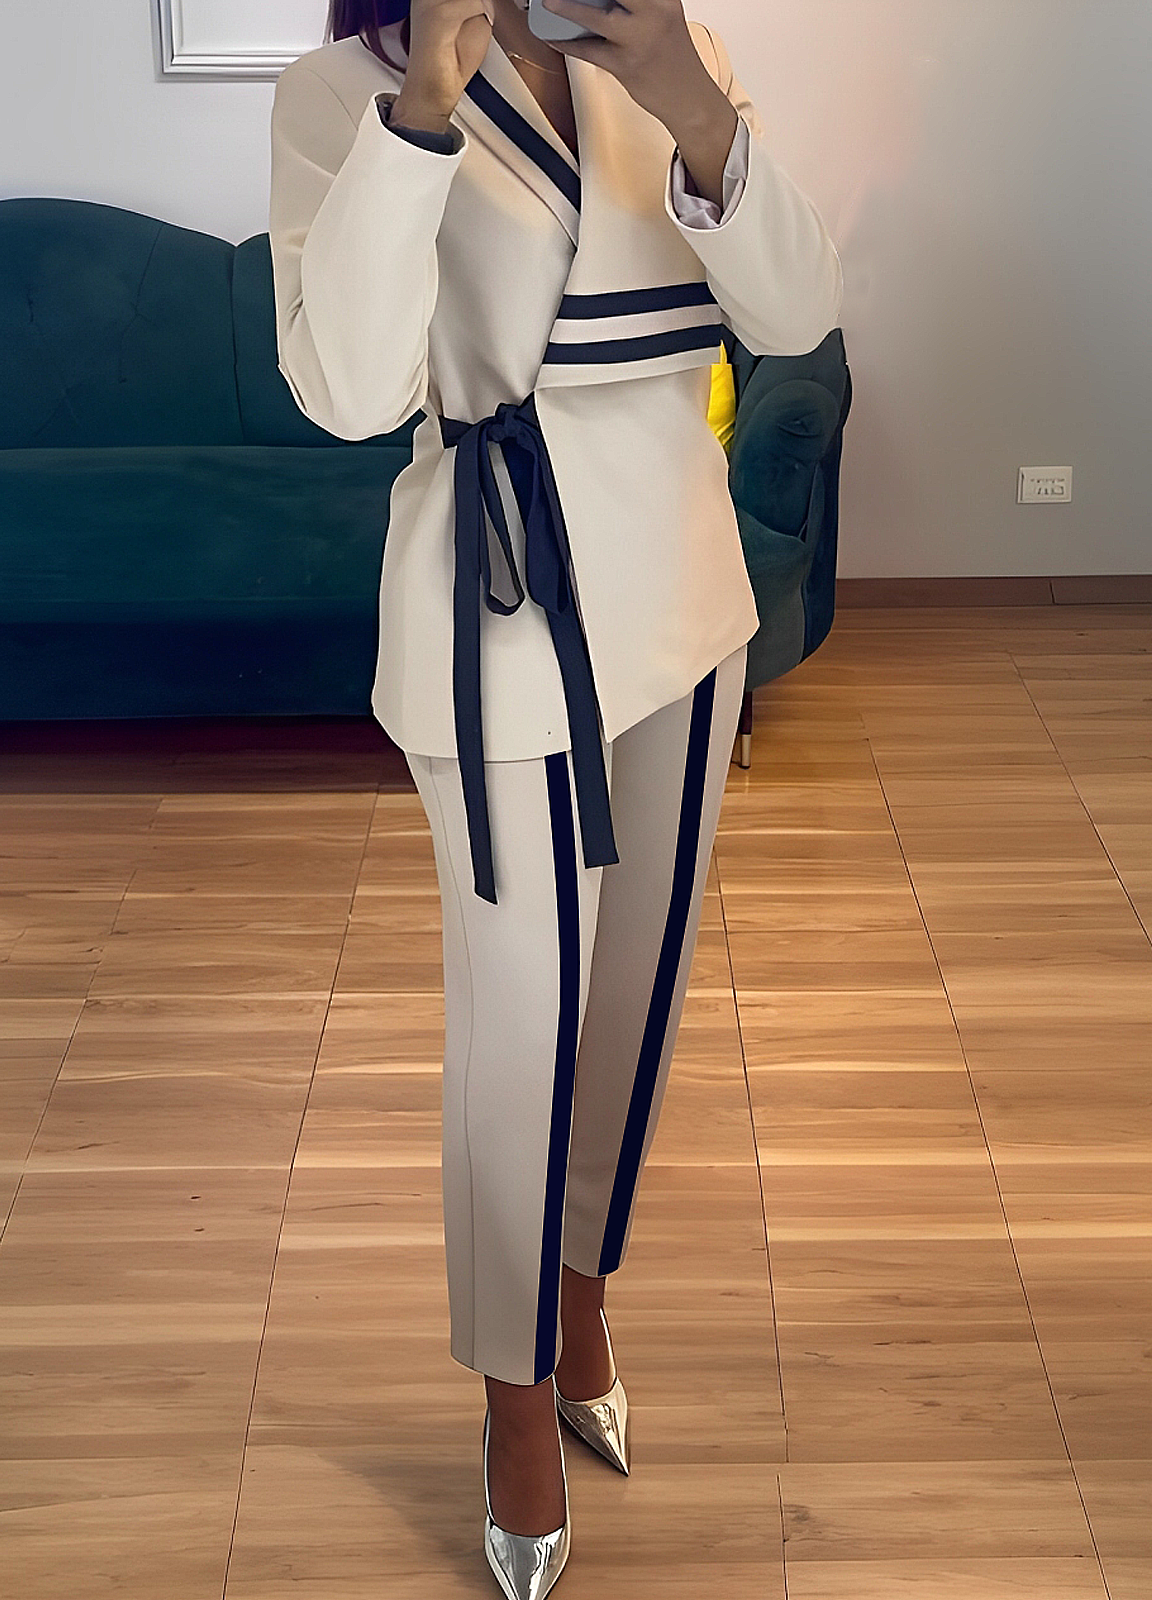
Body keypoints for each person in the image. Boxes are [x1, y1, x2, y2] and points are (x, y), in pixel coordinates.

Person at [268, 2, 842, 1593]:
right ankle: (513, 1394)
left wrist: (687, 98)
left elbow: (797, 312)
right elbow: (346, 390)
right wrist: (424, 109)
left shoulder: (673, 50)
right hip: (496, 606)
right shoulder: (341, 91)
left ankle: (583, 1294)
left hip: (685, 599)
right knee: (522, 1026)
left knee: (637, 1002)